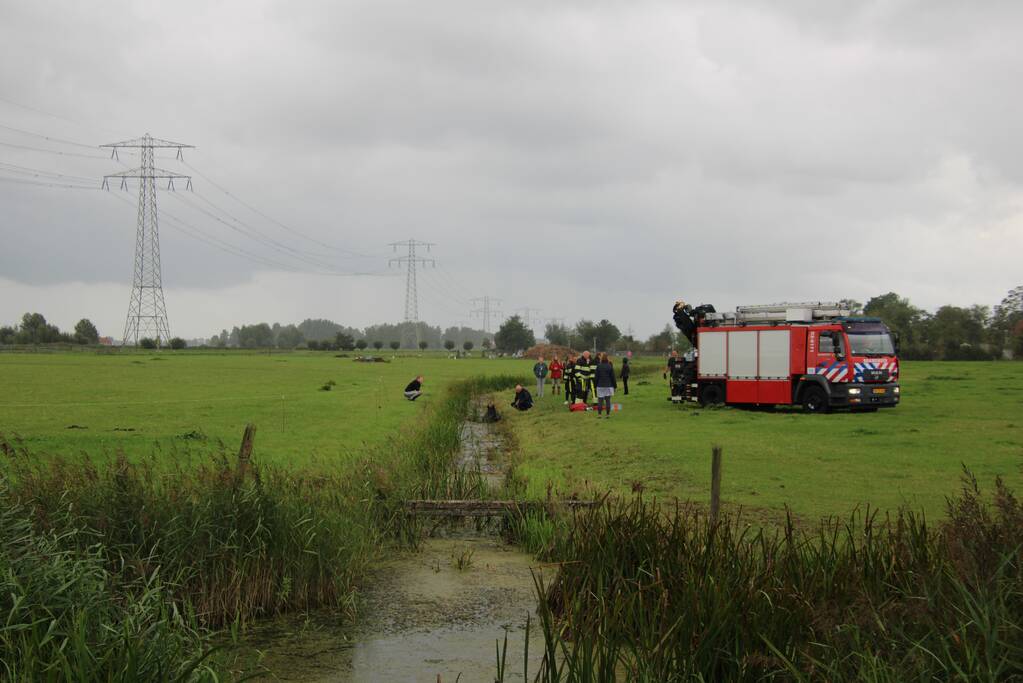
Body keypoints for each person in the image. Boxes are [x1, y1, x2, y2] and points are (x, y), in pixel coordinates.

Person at [594, 353, 617, 417]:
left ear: (601, 358)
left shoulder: (598, 366)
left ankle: (599, 414)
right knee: (608, 401)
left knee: (600, 401)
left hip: (600, 385)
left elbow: (596, 377)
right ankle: (607, 414)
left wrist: (595, 385)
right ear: (607, 358)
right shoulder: (610, 366)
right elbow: (613, 377)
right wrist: (615, 386)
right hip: (608, 385)